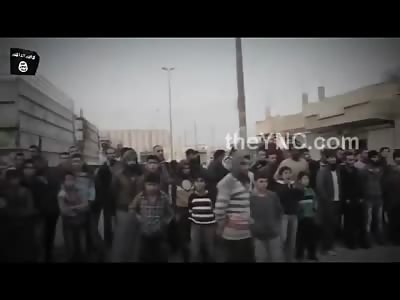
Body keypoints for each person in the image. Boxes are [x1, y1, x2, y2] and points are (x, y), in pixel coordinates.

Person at [215, 151, 255, 262]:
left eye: (248, 164)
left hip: (248, 232)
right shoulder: (227, 181)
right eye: (242, 164)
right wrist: (222, 225)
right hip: (233, 234)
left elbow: (250, 201)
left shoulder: (250, 177)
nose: (246, 167)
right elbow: (219, 209)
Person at [129, 173, 173, 262]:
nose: (152, 187)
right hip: (145, 234)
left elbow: (170, 213)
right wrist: (138, 217)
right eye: (149, 185)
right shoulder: (140, 196)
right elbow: (131, 208)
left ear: (159, 185)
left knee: (161, 257)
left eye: (154, 185)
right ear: (145, 185)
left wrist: (164, 222)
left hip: (159, 235)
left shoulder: (164, 197)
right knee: (144, 257)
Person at [0, 168, 37, 262]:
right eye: (11, 179)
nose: (13, 181)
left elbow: (30, 210)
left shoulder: (25, 191)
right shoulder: (3, 192)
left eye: (15, 178)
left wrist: (10, 211)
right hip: (11, 228)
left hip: (21, 227)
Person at [250, 172, 283, 262]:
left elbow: (279, 211)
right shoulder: (250, 198)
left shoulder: (273, 196)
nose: (264, 184)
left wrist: (277, 227)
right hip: (258, 234)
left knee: (276, 258)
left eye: (266, 182)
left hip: (273, 233)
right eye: (261, 181)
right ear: (255, 182)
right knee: (261, 258)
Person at [58, 172, 90, 262]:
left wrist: (72, 208)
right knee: (70, 246)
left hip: (80, 222)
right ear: (63, 181)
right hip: (68, 223)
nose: (69, 181)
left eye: (71, 179)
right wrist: (77, 207)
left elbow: (86, 206)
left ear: (75, 180)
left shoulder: (80, 190)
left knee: (81, 246)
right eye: (67, 180)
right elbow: (63, 210)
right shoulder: (62, 193)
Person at [316, 149, 343, 256]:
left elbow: (340, 186)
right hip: (328, 203)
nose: (332, 159)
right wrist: (327, 201)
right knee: (327, 227)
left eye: (334, 157)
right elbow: (320, 188)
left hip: (337, 202)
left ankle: (330, 246)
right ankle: (326, 248)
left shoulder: (337, 170)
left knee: (333, 226)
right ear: (326, 159)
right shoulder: (322, 171)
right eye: (330, 157)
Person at [275, 166, 302, 262]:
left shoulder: (294, 185)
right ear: (281, 175)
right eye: (285, 173)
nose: (287, 175)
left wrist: (294, 187)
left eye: (289, 173)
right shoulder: (278, 186)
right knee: (283, 238)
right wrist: (287, 186)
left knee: (292, 240)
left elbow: (300, 195)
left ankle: (290, 259)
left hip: (293, 214)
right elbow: (281, 197)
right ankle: (280, 259)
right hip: (283, 215)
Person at [94, 147, 119, 248]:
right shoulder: (102, 168)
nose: (111, 155)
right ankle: (109, 242)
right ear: (106, 155)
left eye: (113, 153)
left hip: (118, 198)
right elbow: (100, 185)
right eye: (109, 153)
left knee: (117, 221)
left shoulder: (119, 166)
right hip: (107, 199)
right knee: (108, 222)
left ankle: (117, 240)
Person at [188, 174, 216, 262]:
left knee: (209, 247)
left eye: (201, 181)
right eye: (197, 181)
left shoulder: (211, 196)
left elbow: (214, 210)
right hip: (195, 225)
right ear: (194, 184)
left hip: (209, 226)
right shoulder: (192, 196)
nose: (199, 184)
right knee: (195, 247)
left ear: (205, 183)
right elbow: (190, 210)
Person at [340, 151, 365, 249]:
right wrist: (345, 198)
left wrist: (362, 197)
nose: (351, 162)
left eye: (353, 160)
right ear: (345, 160)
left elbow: (360, 185)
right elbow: (341, 186)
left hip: (358, 199)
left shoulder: (357, 170)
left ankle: (362, 242)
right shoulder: (341, 171)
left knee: (360, 221)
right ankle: (350, 243)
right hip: (347, 200)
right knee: (349, 223)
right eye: (349, 160)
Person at [359, 150, 384, 246]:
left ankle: (380, 238)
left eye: (376, 157)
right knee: (368, 220)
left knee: (379, 219)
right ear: (370, 158)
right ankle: (367, 240)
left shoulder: (380, 169)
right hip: (368, 197)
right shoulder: (364, 169)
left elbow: (382, 181)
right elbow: (361, 183)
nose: (375, 159)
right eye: (373, 157)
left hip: (379, 197)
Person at [170, 160, 193, 262]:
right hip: (180, 211)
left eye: (188, 168)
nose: (186, 170)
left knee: (191, 236)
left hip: (193, 211)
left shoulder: (193, 180)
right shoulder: (175, 181)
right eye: (184, 168)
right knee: (182, 237)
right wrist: (174, 212)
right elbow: (172, 198)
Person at [296, 172, 319, 261]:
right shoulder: (297, 190)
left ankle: (312, 254)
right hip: (301, 218)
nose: (306, 180)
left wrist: (315, 208)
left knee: (312, 237)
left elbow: (315, 200)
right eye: (304, 179)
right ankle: (299, 254)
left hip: (311, 216)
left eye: (307, 179)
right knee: (301, 237)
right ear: (299, 180)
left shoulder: (311, 190)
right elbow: (296, 203)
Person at [384, 150, 400, 245]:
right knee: (393, 220)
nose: (399, 159)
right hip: (392, 199)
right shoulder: (390, 169)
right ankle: (393, 238)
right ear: (394, 158)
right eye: (397, 157)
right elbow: (386, 183)